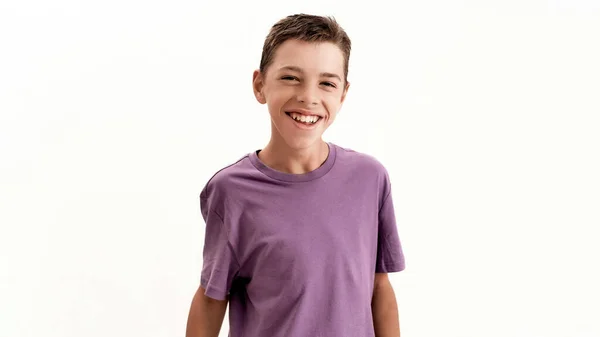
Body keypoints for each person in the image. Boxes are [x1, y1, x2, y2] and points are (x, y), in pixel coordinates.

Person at [185, 13, 406, 337]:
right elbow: (211, 298)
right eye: (291, 78)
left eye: (326, 83)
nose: (308, 96)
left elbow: (380, 287)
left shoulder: (369, 179)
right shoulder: (231, 191)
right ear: (260, 85)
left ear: (342, 94)